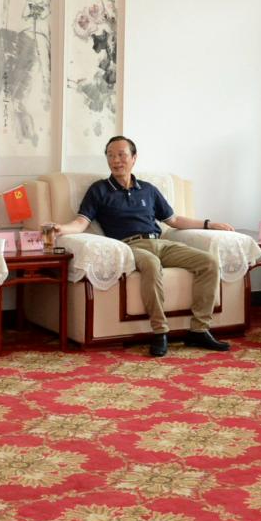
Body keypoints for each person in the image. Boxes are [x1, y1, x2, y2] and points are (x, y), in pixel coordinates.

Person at [45, 135, 233, 358]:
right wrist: (61, 228)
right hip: (130, 246)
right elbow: (80, 223)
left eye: (121, 155)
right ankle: (160, 331)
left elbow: (174, 220)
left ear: (134, 158)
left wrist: (209, 224)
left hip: (160, 242)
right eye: (110, 156)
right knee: (151, 264)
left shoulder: (148, 189)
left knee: (208, 262)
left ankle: (199, 330)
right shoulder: (99, 190)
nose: (116, 160)